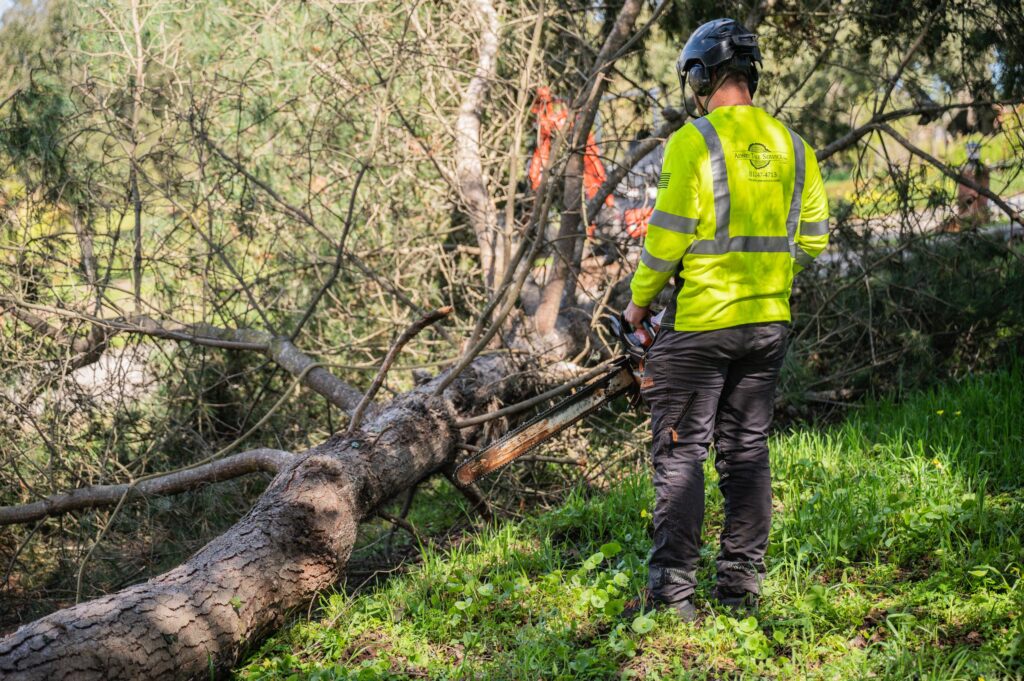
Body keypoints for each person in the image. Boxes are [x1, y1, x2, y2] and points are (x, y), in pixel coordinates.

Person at [623, 18, 830, 622]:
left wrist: (638, 306)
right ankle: (740, 588)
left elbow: (665, 241)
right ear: (750, 74)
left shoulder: (694, 141)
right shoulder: (795, 145)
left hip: (700, 327)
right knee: (746, 452)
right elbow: (814, 239)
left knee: (681, 453)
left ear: (700, 76)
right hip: (767, 325)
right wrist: (767, 272)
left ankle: (675, 597)